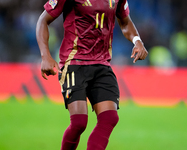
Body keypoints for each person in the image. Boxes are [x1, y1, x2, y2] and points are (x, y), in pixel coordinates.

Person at [36, 0, 148, 149]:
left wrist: (137, 40)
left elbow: (125, 22)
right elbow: (43, 20)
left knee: (109, 118)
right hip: (74, 62)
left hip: (102, 64)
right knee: (79, 123)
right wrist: (45, 56)